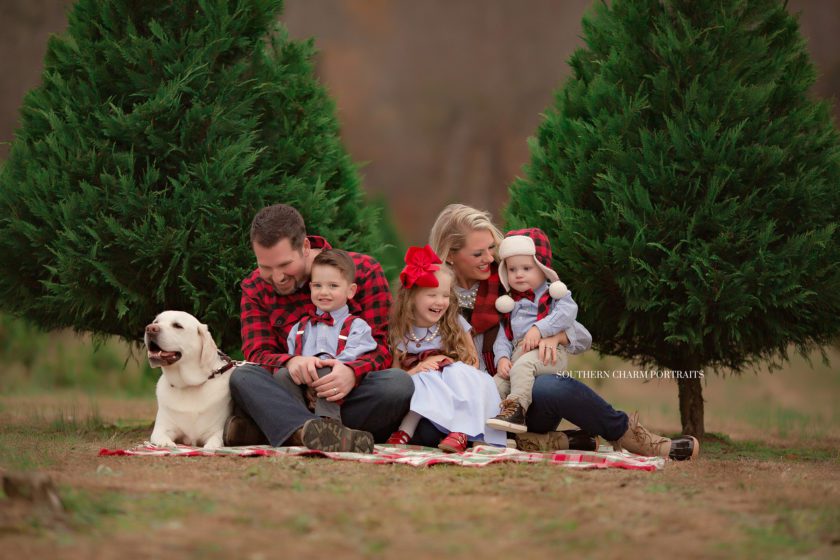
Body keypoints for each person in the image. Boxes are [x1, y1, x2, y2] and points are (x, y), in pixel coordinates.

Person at [427, 204, 700, 460]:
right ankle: (555, 441)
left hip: (521, 402)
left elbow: (582, 337)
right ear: (451, 255)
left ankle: (632, 437)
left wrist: (552, 335)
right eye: (479, 254)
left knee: (551, 386)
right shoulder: (432, 296)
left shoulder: (510, 286)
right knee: (427, 426)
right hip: (466, 408)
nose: (490, 258)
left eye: (490, 249)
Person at [224, 204, 413, 453]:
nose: (277, 277)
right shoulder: (255, 287)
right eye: (266, 267)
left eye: (284, 265)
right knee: (243, 376)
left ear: (305, 247)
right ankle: (309, 433)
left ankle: (280, 429)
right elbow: (257, 353)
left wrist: (351, 373)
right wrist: (291, 362)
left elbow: (382, 346)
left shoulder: (363, 271)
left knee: (398, 385)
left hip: (347, 396)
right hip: (290, 391)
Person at [385, 245, 506, 452]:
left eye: (445, 296)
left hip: (460, 385)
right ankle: (405, 431)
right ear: (411, 297)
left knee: (454, 371)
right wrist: (419, 368)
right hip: (426, 390)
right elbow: (397, 375)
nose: (440, 302)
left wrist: (444, 366)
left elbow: (473, 362)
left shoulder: (454, 323)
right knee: (422, 378)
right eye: (432, 295)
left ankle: (461, 431)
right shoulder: (401, 332)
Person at [486, 228, 582, 434]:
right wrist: (502, 358)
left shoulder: (554, 295)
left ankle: (517, 412)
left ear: (542, 269)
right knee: (496, 383)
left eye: (526, 268)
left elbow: (569, 311)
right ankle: (499, 431)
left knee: (522, 368)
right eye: (512, 270)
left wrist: (541, 328)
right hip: (517, 356)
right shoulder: (510, 305)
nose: (519, 274)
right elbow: (502, 337)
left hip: (549, 355)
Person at [280, 248, 377, 421]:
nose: (324, 292)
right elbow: (292, 358)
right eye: (318, 285)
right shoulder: (299, 328)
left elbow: (358, 356)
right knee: (281, 375)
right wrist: (301, 368)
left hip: (341, 389)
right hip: (305, 388)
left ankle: (328, 422)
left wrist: (328, 366)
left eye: (333, 286)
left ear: (350, 291)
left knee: (327, 369)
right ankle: (299, 422)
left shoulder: (357, 326)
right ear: (310, 288)